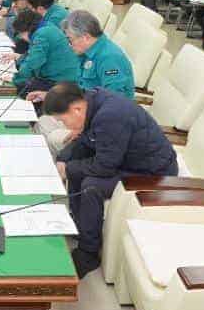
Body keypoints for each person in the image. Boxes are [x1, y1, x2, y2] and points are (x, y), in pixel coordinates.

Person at [43, 83, 178, 278]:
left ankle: (89, 253)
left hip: (153, 173)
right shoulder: (92, 104)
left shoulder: (110, 116)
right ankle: (82, 227)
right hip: (126, 161)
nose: (64, 126)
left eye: (63, 120)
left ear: (76, 109)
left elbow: (104, 167)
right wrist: (64, 160)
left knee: (91, 186)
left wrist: (69, 168)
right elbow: (85, 141)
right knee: (75, 167)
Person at [32, 10, 134, 103]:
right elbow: (80, 90)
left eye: (70, 40)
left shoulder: (109, 58)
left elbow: (114, 102)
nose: (69, 45)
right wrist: (52, 96)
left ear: (86, 37)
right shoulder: (84, 53)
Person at [4, 9, 79, 95]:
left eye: (21, 34)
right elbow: (32, 54)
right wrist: (20, 58)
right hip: (62, 77)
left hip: (61, 82)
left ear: (27, 30)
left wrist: (15, 79)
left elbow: (33, 63)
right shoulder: (47, 27)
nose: (21, 37)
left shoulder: (42, 35)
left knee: (21, 89)